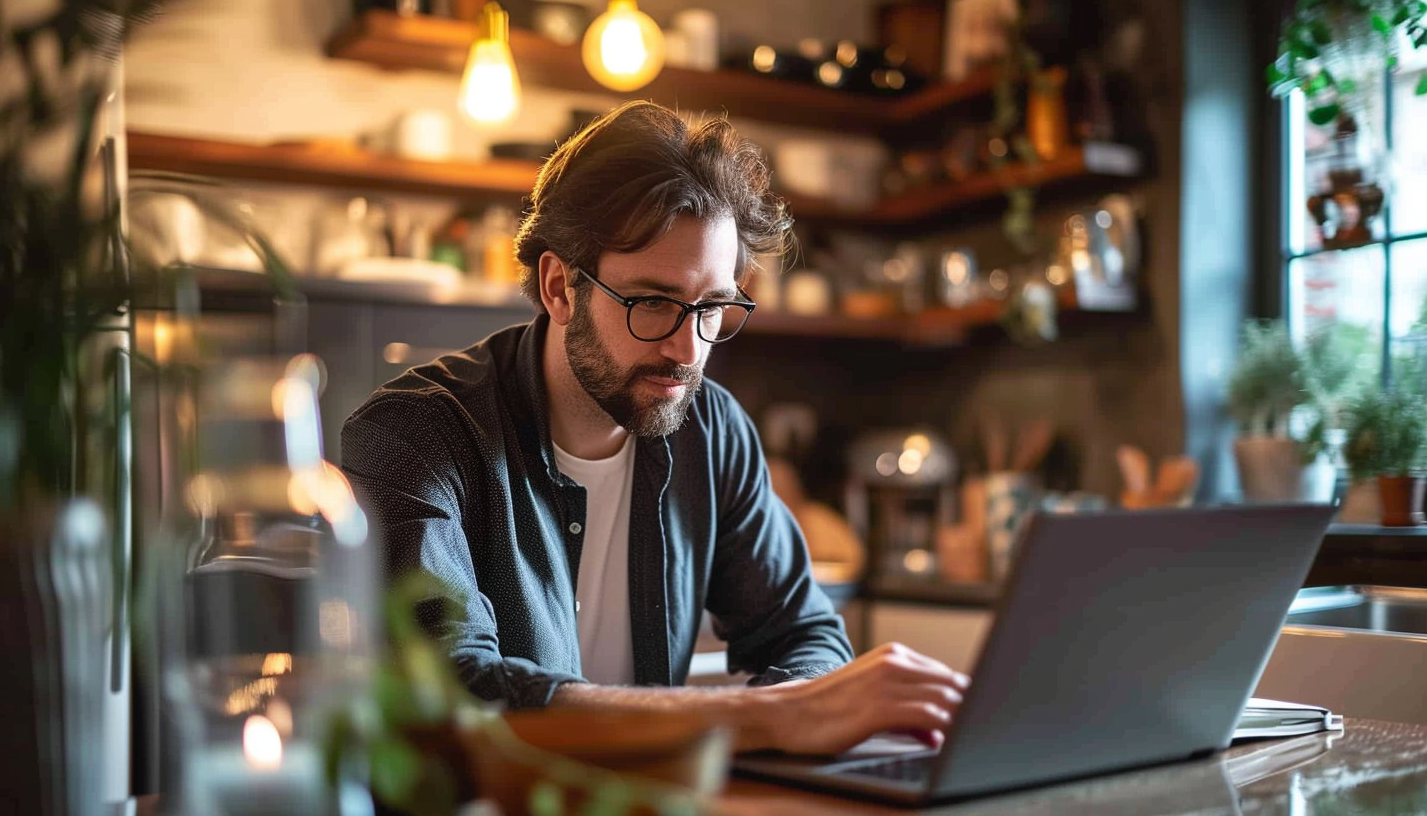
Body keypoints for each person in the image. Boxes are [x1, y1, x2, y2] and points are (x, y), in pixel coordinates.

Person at [341, 100, 967, 755]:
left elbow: (804, 633)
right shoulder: (414, 435)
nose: (688, 349)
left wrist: (803, 704)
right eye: (654, 303)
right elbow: (456, 695)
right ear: (559, 288)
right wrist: (772, 716)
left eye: (712, 307)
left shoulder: (714, 431)